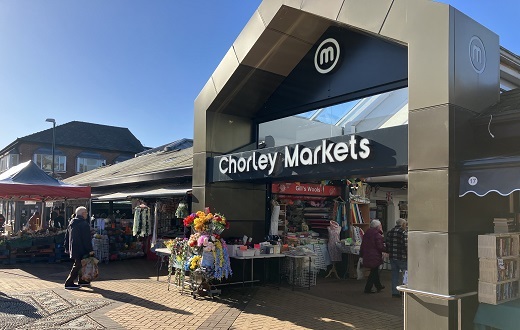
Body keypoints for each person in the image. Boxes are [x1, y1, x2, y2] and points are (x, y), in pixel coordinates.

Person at [64, 206, 94, 289]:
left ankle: (82, 280)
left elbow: (67, 236)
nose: (87, 214)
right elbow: (86, 239)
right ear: (83, 213)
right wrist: (90, 249)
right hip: (81, 248)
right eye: (86, 213)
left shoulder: (72, 222)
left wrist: (66, 247)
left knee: (81, 264)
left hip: (73, 247)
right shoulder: (84, 224)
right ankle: (69, 282)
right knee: (78, 265)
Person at [360, 219, 386, 294]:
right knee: (374, 272)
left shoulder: (367, 233)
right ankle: (368, 288)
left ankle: (378, 286)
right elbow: (380, 247)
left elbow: (363, 245)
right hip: (374, 256)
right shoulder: (377, 235)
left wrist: (361, 255)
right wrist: (387, 250)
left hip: (367, 255)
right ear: (378, 226)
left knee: (374, 271)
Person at [386, 218, 408, 298]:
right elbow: (406, 245)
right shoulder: (403, 232)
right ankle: (404, 290)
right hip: (402, 257)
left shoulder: (390, 232)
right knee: (405, 273)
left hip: (393, 257)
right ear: (403, 224)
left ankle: (394, 292)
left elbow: (387, 243)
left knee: (394, 274)